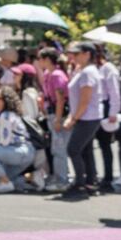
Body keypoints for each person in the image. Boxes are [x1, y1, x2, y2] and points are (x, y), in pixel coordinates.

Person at [62, 42, 104, 198]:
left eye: (77, 53)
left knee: (73, 149)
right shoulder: (83, 71)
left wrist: (73, 119)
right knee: (85, 150)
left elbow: (84, 101)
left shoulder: (88, 72)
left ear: (87, 54)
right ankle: (90, 182)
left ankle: (80, 183)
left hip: (87, 117)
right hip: (86, 116)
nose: (73, 56)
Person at [38, 48, 71, 192]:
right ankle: (59, 177)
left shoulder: (57, 75)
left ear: (47, 59)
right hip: (52, 113)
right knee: (56, 148)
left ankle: (62, 180)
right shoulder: (48, 73)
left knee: (59, 149)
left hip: (59, 115)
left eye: (41, 58)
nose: (39, 61)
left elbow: (60, 99)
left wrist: (58, 119)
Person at [93, 45, 121, 193]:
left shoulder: (108, 68)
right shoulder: (92, 69)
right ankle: (95, 175)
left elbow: (114, 91)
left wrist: (113, 112)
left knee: (105, 144)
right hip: (94, 107)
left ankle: (108, 177)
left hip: (105, 107)